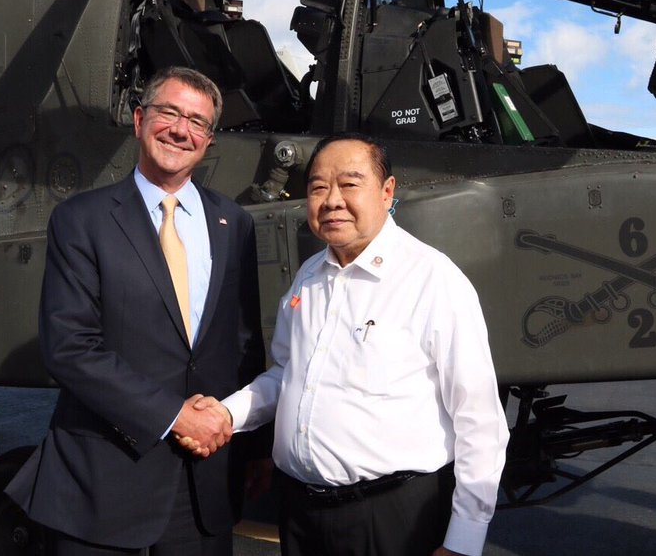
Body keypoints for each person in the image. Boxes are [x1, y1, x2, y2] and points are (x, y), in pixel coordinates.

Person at [192, 133, 509, 556]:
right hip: (301, 515)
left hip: (390, 521)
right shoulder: (309, 275)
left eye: (350, 184)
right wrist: (225, 413)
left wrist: (464, 539)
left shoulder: (432, 280)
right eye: (319, 187)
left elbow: (479, 419)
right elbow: (287, 375)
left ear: (387, 191)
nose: (332, 200)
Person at [5, 66, 265, 555]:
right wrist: (174, 415)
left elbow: (244, 344)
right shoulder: (81, 220)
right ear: (140, 119)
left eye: (197, 122)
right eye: (169, 113)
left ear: (209, 140)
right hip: (105, 480)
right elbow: (69, 348)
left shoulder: (235, 223)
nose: (180, 130)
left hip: (203, 483)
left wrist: (254, 447)